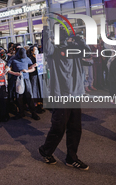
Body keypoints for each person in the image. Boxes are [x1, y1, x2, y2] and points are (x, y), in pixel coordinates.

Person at [39, 14, 89, 170]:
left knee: (75, 128)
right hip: (61, 96)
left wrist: (78, 38)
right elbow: (46, 47)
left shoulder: (74, 51)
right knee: (59, 127)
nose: (67, 40)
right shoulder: (54, 52)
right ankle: (46, 151)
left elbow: (87, 51)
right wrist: (45, 27)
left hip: (75, 95)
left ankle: (71, 157)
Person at [7, 48, 40, 120]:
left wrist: (27, 71)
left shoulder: (27, 59)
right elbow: (7, 68)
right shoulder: (13, 58)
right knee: (19, 97)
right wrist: (14, 73)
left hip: (26, 79)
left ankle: (33, 112)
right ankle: (21, 112)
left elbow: (33, 68)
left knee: (29, 96)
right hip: (17, 80)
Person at [28, 46, 45, 114]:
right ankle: (35, 106)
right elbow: (28, 67)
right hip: (34, 75)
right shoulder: (30, 58)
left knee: (40, 88)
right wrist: (33, 65)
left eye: (37, 49)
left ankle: (40, 104)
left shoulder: (40, 57)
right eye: (35, 49)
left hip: (40, 74)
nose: (36, 50)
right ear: (32, 51)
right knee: (35, 89)